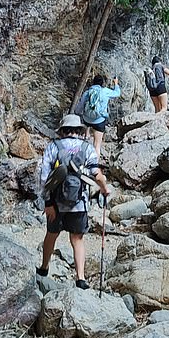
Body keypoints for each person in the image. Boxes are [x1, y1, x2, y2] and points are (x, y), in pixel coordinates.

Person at [36, 114, 109, 289]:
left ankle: (44, 268)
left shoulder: (53, 146)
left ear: (62, 131)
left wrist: (47, 203)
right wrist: (104, 189)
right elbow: (96, 174)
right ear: (79, 130)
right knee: (77, 239)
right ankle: (80, 278)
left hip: (56, 203)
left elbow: (43, 177)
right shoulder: (87, 148)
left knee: (51, 234)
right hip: (79, 202)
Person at [76, 74, 121, 159]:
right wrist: (116, 83)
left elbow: (80, 106)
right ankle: (94, 166)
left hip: (87, 119)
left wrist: (76, 113)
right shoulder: (105, 91)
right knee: (97, 144)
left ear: (93, 82)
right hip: (99, 120)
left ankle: (86, 140)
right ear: (102, 83)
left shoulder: (87, 92)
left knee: (85, 136)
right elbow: (117, 93)